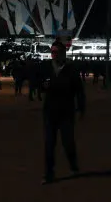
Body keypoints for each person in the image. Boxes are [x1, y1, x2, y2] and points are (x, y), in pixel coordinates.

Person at [41, 40, 85, 184]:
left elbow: (79, 90)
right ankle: (49, 174)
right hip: (50, 112)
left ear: (62, 53)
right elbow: (40, 83)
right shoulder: (47, 68)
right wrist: (43, 86)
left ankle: (73, 165)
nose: (53, 55)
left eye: (55, 52)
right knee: (49, 144)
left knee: (68, 143)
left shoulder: (71, 69)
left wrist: (81, 108)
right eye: (51, 52)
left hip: (66, 112)